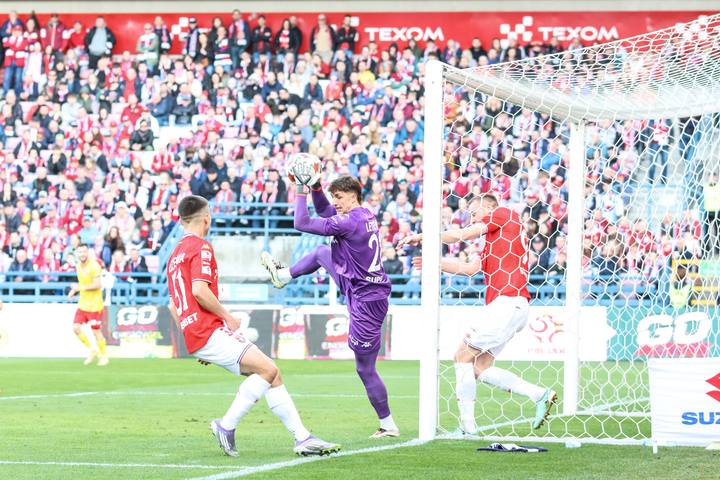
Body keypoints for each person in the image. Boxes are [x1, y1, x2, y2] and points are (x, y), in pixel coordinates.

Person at [167, 195, 339, 457]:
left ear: (181, 220)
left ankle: (302, 437)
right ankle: (226, 425)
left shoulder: (174, 255)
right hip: (209, 329)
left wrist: (194, 337)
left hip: (198, 332)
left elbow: (173, 305)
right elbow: (199, 291)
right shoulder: (200, 247)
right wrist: (227, 317)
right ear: (207, 218)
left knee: (271, 375)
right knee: (268, 369)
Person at [398, 194, 556, 434]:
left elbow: (464, 234)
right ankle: (539, 394)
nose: (471, 218)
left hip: (506, 303)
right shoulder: (496, 241)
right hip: (512, 306)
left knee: (461, 356)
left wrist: (423, 237)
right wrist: (434, 261)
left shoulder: (503, 214)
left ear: (489, 206)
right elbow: (469, 269)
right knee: (479, 368)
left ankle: (467, 428)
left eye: (473, 212)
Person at [261, 173, 399, 438]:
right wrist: (316, 187)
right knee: (321, 253)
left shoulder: (349, 221)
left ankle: (388, 425)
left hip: (366, 299)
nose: (334, 202)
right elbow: (326, 212)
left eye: (338, 197)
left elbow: (301, 222)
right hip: (361, 286)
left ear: (352, 195)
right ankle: (283, 275)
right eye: (333, 196)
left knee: (365, 368)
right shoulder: (364, 215)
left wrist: (300, 189)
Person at [67, 243, 109, 366]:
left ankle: (104, 356)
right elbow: (83, 283)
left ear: (88, 252)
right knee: (76, 328)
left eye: (84, 251)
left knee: (96, 331)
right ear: (77, 253)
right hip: (83, 304)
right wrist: (74, 291)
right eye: (80, 252)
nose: (82, 254)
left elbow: (98, 284)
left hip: (95, 305)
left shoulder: (94, 266)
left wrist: (79, 288)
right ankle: (92, 350)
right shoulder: (78, 266)